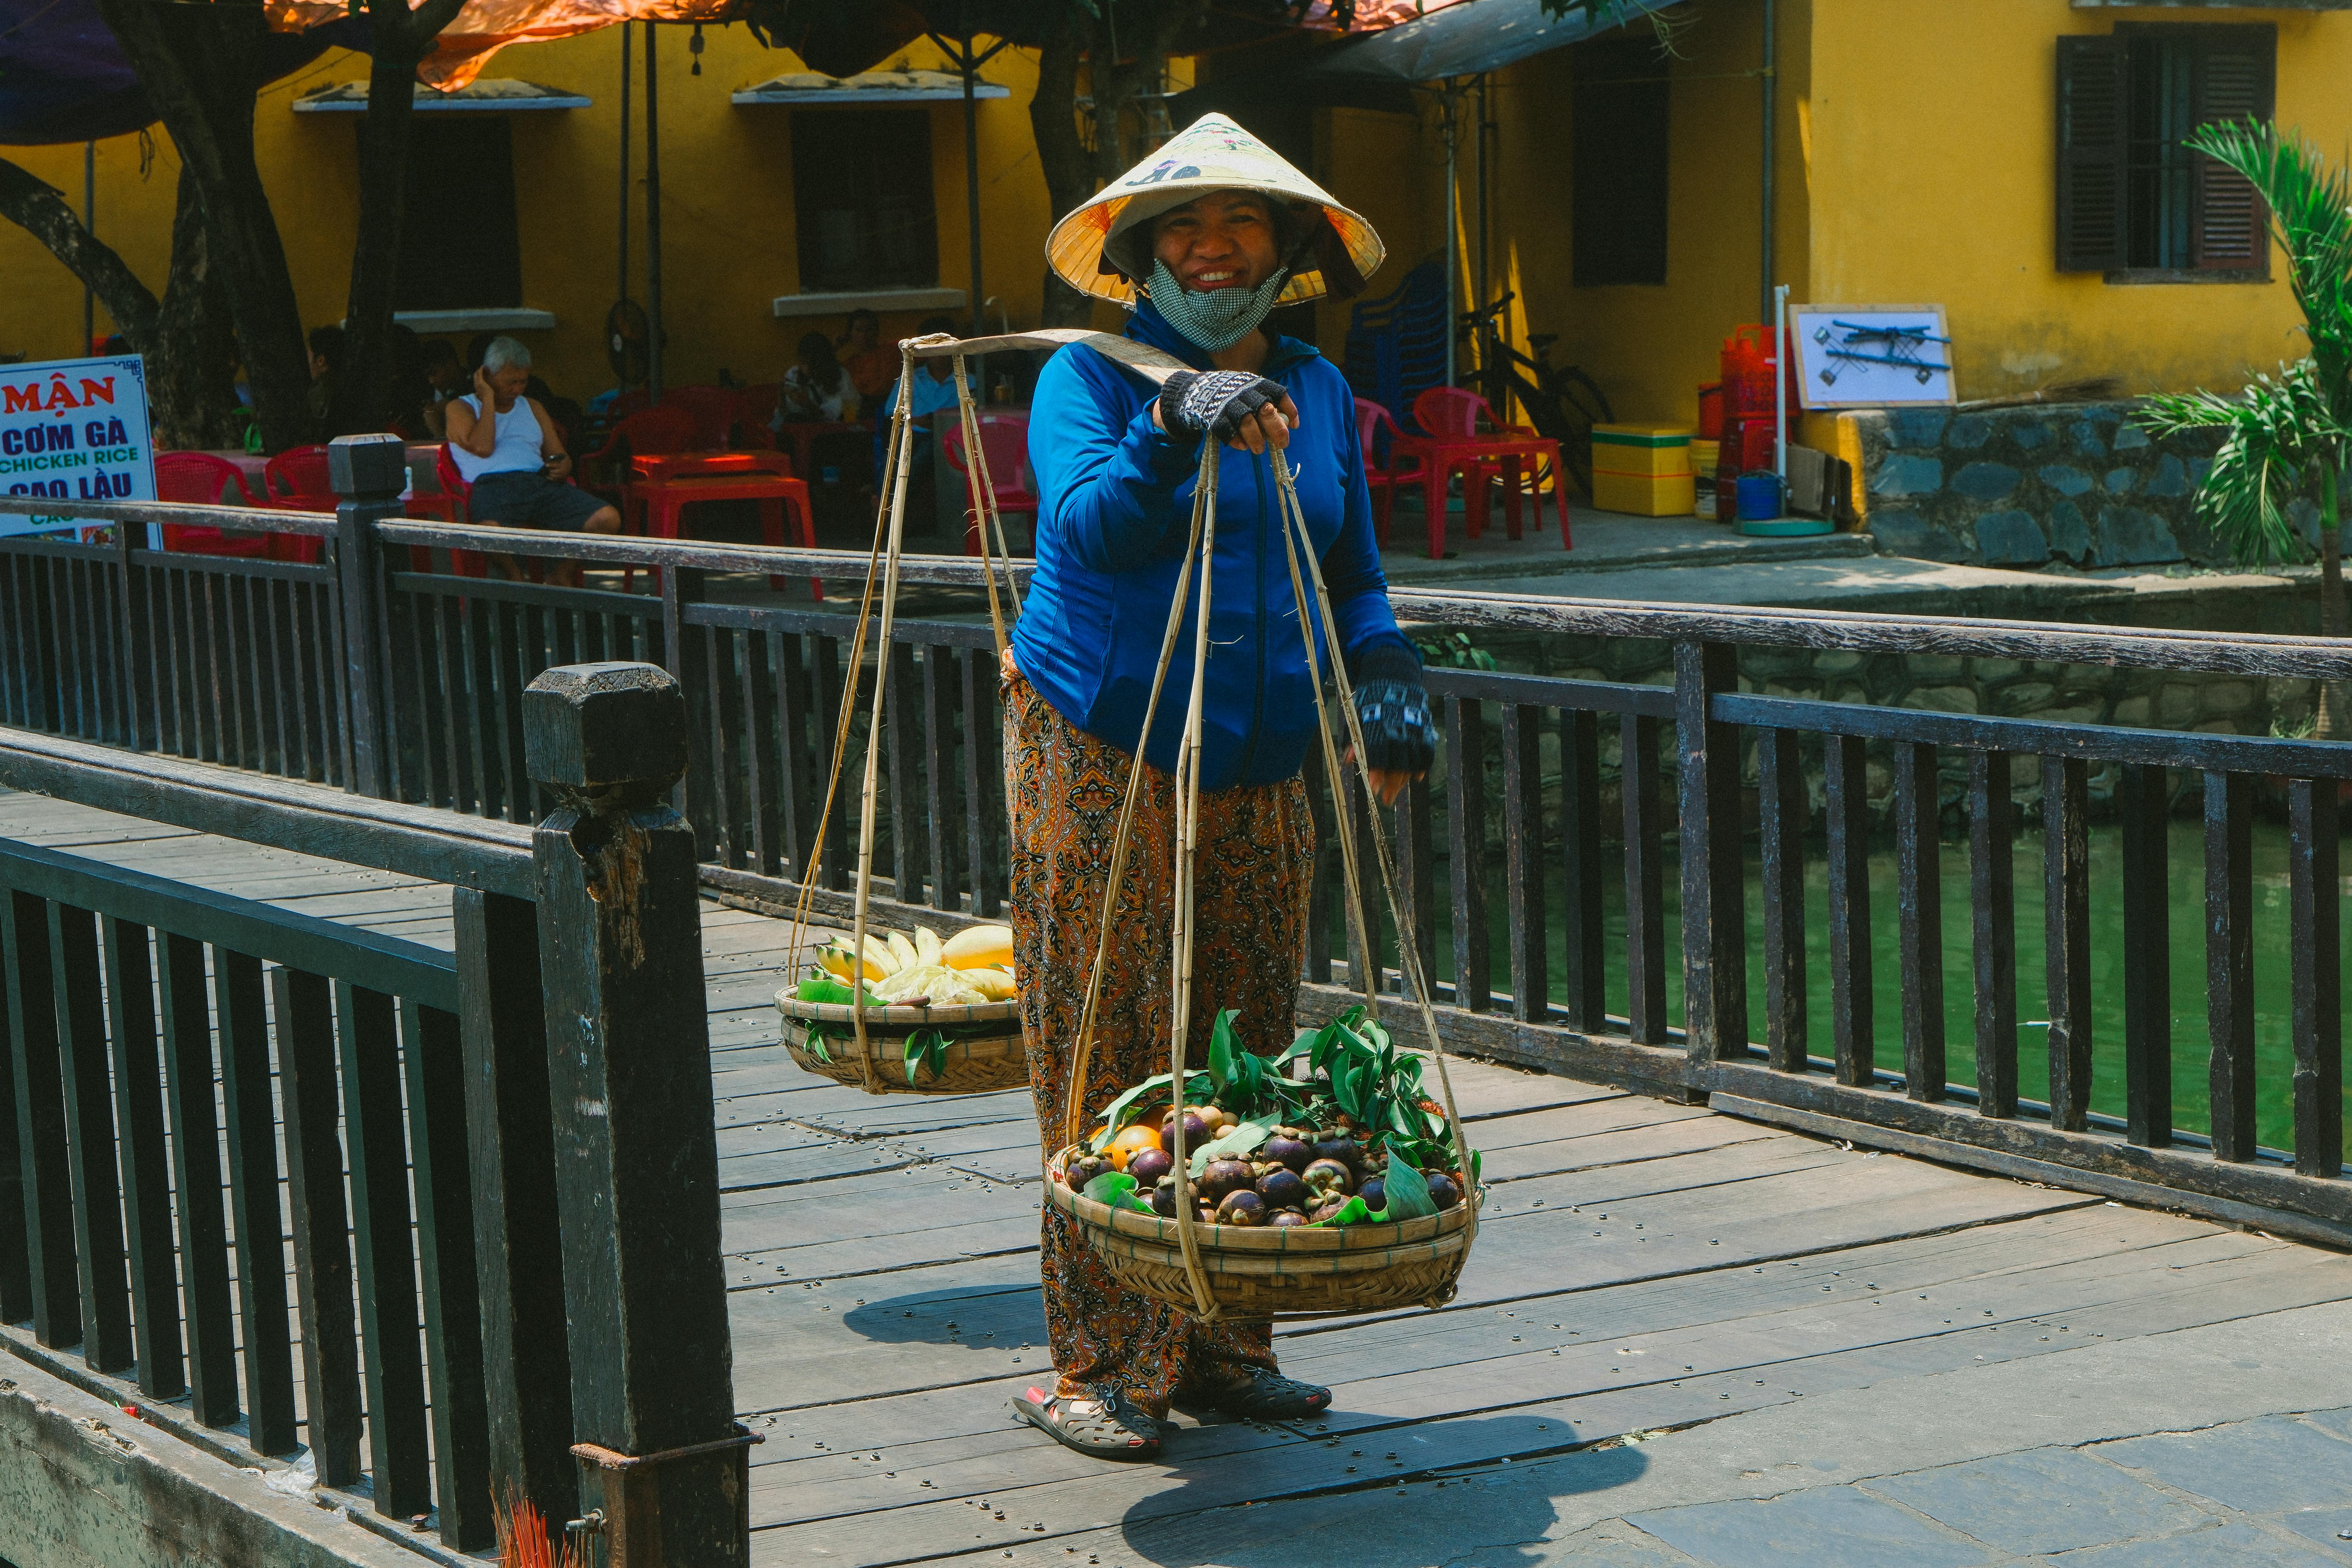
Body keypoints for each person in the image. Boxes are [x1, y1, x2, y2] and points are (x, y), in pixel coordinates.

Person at [1003, 114, 1427, 1461]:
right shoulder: (1085, 377)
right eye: (1184, 225)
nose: (1212, 243)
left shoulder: (1317, 390)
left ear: (1290, 252)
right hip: (1104, 750)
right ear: (1136, 254)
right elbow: (1091, 528)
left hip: (1260, 765)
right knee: (1105, 1049)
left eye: (1244, 224)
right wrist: (1171, 426)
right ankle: (1098, 1360)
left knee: (1242, 1041)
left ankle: (1225, 1343)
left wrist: (1387, 669)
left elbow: (1349, 566)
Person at [443, 335, 620, 586]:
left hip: (539, 482)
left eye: (523, 382)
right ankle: (515, 575)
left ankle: (562, 574)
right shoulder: (461, 408)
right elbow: (483, 447)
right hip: (492, 486)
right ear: (485, 375)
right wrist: (489, 399)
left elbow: (559, 455)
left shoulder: (533, 406)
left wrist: (562, 466)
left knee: (607, 518)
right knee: (490, 531)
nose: (517, 389)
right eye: (510, 382)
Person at [775, 331, 855, 426]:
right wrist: (782, 395)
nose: (807, 369)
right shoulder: (794, 374)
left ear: (825, 361)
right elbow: (781, 417)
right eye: (803, 363)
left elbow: (839, 418)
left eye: (814, 364)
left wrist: (808, 404)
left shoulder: (840, 376)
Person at [837, 308, 896, 402]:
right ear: (850, 333)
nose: (864, 335)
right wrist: (836, 347)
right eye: (859, 330)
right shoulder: (849, 366)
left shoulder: (892, 351)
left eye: (869, 330)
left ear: (877, 332)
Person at [419, 339, 467, 438]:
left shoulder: (472, 387)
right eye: (428, 376)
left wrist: (433, 416)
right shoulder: (427, 392)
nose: (431, 381)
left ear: (451, 366)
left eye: (434, 373)